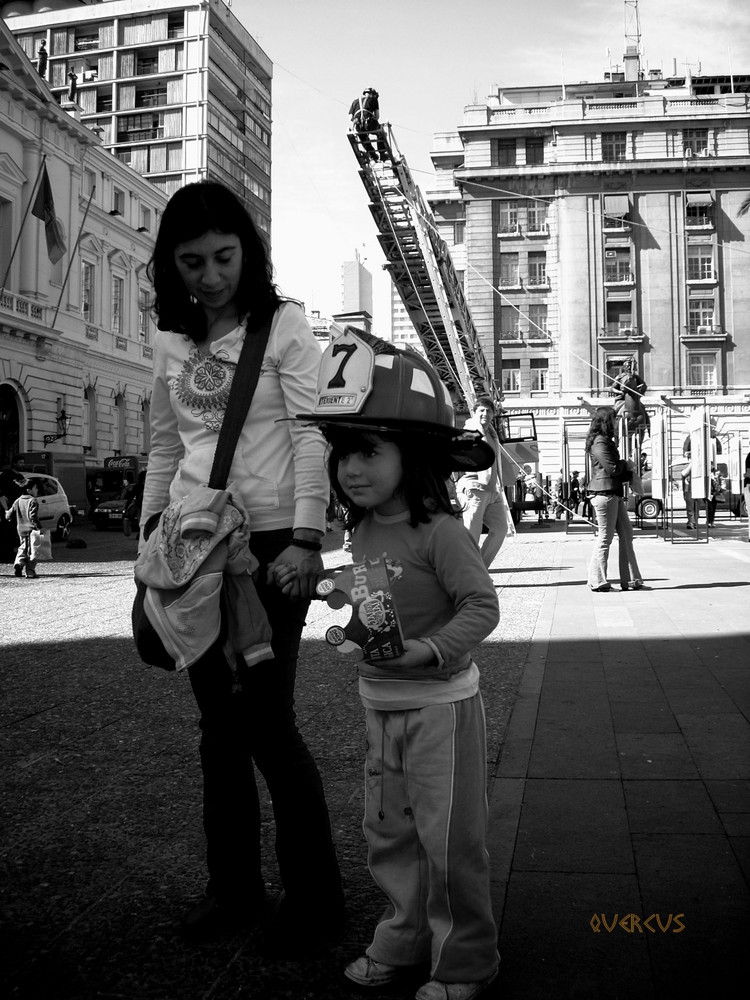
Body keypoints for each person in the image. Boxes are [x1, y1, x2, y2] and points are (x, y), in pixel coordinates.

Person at [139, 181, 344, 948]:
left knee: (266, 722)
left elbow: (311, 433)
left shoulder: (284, 326)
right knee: (217, 730)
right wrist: (149, 541)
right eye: (192, 262)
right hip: (193, 546)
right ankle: (234, 892)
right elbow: (165, 445)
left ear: (248, 252)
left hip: (268, 546)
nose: (211, 276)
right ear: (172, 265)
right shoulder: (168, 340)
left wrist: (306, 538)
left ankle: (317, 897)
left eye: (224, 257)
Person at [280, 328, 500, 1000]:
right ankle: (403, 936)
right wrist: (335, 600)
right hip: (381, 707)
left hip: (440, 711)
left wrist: (430, 650)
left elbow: (481, 608)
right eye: (343, 451)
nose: (350, 467)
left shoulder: (443, 532)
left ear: (415, 453)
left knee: (448, 840)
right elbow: (375, 602)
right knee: (389, 832)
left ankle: (464, 957)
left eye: (368, 451)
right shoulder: (365, 530)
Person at [585, 406, 646, 592]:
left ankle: (630, 579)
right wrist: (626, 464)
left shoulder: (605, 441)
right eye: (614, 419)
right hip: (604, 494)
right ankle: (597, 581)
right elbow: (612, 468)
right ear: (605, 421)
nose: (617, 422)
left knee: (627, 534)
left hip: (613, 493)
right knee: (605, 538)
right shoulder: (600, 442)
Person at [455, 396, 514, 569]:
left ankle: (479, 569)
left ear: (493, 414)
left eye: (489, 411)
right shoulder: (470, 430)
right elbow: (458, 453)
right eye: (481, 410)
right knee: (471, 536)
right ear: (474, 413)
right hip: (474, 488)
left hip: (492, 488)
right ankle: (465, 574)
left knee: (500, 529)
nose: (485, 414)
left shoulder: (491, 433)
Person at [7, 480, 43, 579]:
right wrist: (39, 527)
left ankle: (18, 563)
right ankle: (30, 572)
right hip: (31, 529)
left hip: (21, 529)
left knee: (23, 547)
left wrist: (8, 516)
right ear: (29, 490)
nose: (37, 489)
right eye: (35, 488)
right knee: (33, 551)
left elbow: (9, 514)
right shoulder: (33, 500)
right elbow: (33, 517)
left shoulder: (18, 500)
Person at [349, 87, 389, 162]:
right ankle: (382, 154)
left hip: (358, 126)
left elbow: (350, 118)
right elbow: (377, 116)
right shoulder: (373, 100)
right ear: (372, 94)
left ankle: (373, 155)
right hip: (369, 123)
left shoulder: (355, 101)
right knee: (380, 133)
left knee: (364, 139)